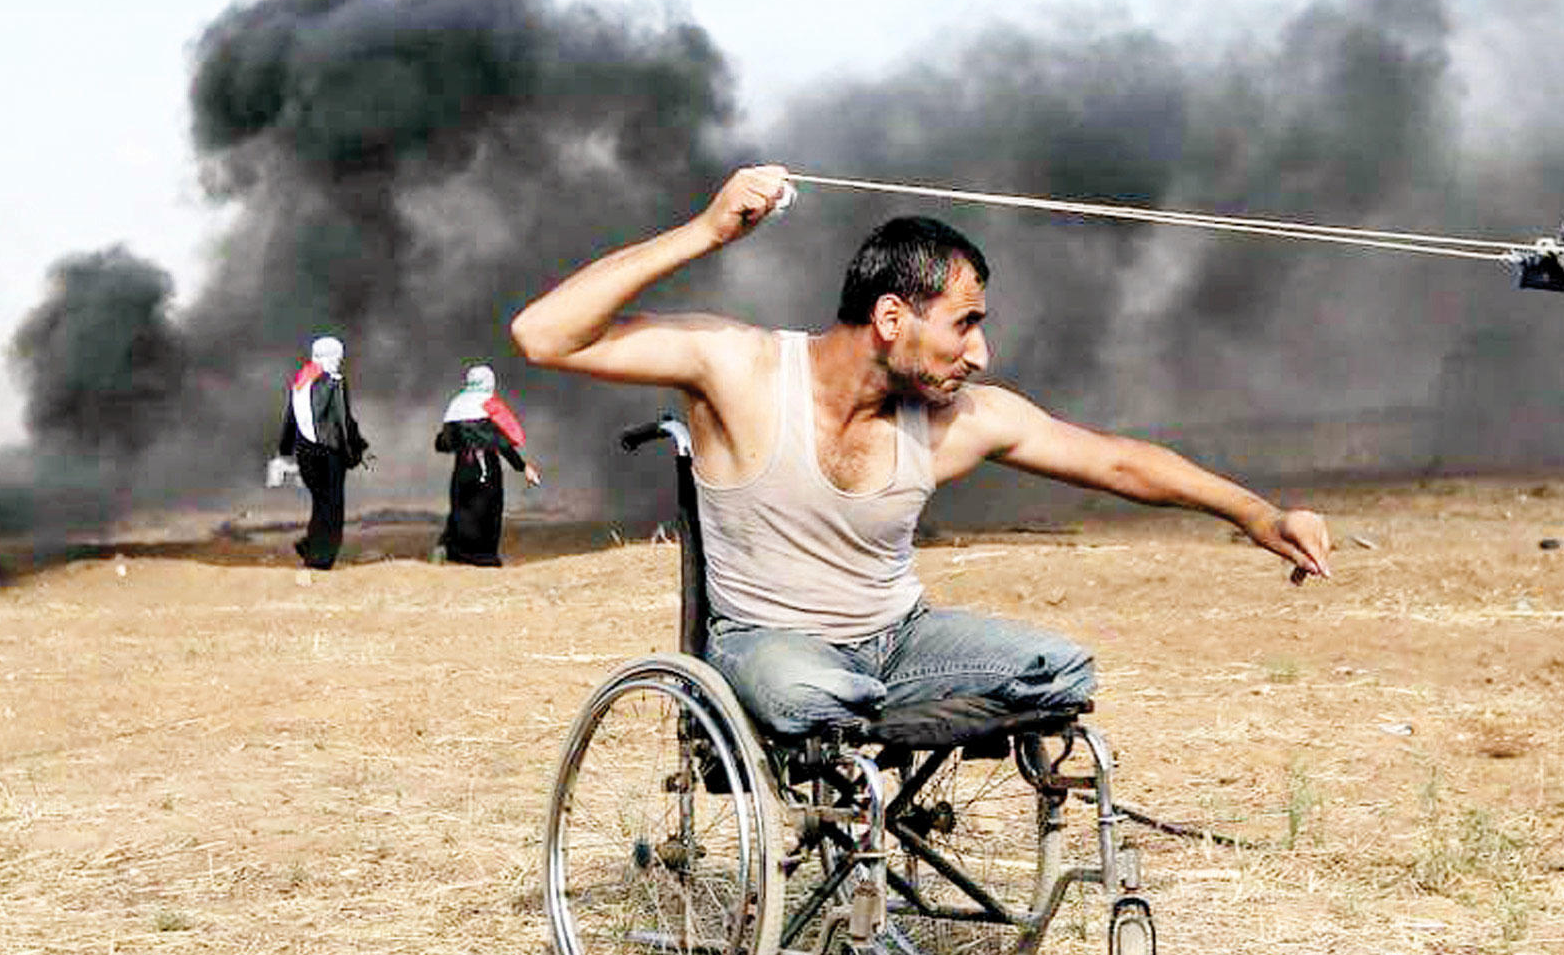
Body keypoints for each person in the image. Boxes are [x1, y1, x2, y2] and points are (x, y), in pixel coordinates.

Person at [510, 165, 1331, 737]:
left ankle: (874, 718)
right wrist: (703, 231)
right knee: (811, 694)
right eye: (966, 323)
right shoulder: (740, 367)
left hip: (900, 643)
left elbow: (1115, 461)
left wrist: (1255, 513)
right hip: (769, 645)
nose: (980, 355)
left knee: (1060, 672)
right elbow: (541, 334)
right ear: (893, 319)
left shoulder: (955, 420)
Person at [273, 335, 370, 570]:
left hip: (304, 453)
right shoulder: (335, 381)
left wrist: (285, 449)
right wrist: (353, 453)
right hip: (328, 452)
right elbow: (342, 422)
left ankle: (311, 545)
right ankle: (320, 558)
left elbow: (290, 418)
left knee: (321, 502)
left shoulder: (301, 380)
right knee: (333, 505)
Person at [434, 364, 541, 566]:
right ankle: (484, 557)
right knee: (488, 510)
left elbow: (443, 443)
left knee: (462, 509)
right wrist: (522, 466)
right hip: (486, 469)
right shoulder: (489, 405)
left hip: (462, 469)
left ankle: (456, 553)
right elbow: (503, 443)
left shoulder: (455, 404)